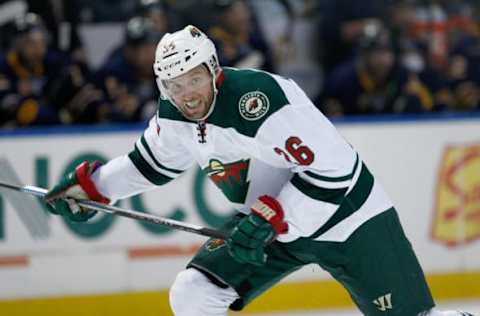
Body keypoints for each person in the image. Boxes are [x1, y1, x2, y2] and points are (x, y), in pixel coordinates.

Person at [44, 25, 473, 316]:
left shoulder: (260, 100)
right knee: (192, 295)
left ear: (213, 71)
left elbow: (335, 173)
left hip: (349, 219)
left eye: (193, 79)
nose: (187, 95)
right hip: (270, 227)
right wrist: (94, 188)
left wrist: (270, 217)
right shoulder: (174, 115)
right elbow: (149, 164)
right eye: (174, 85)